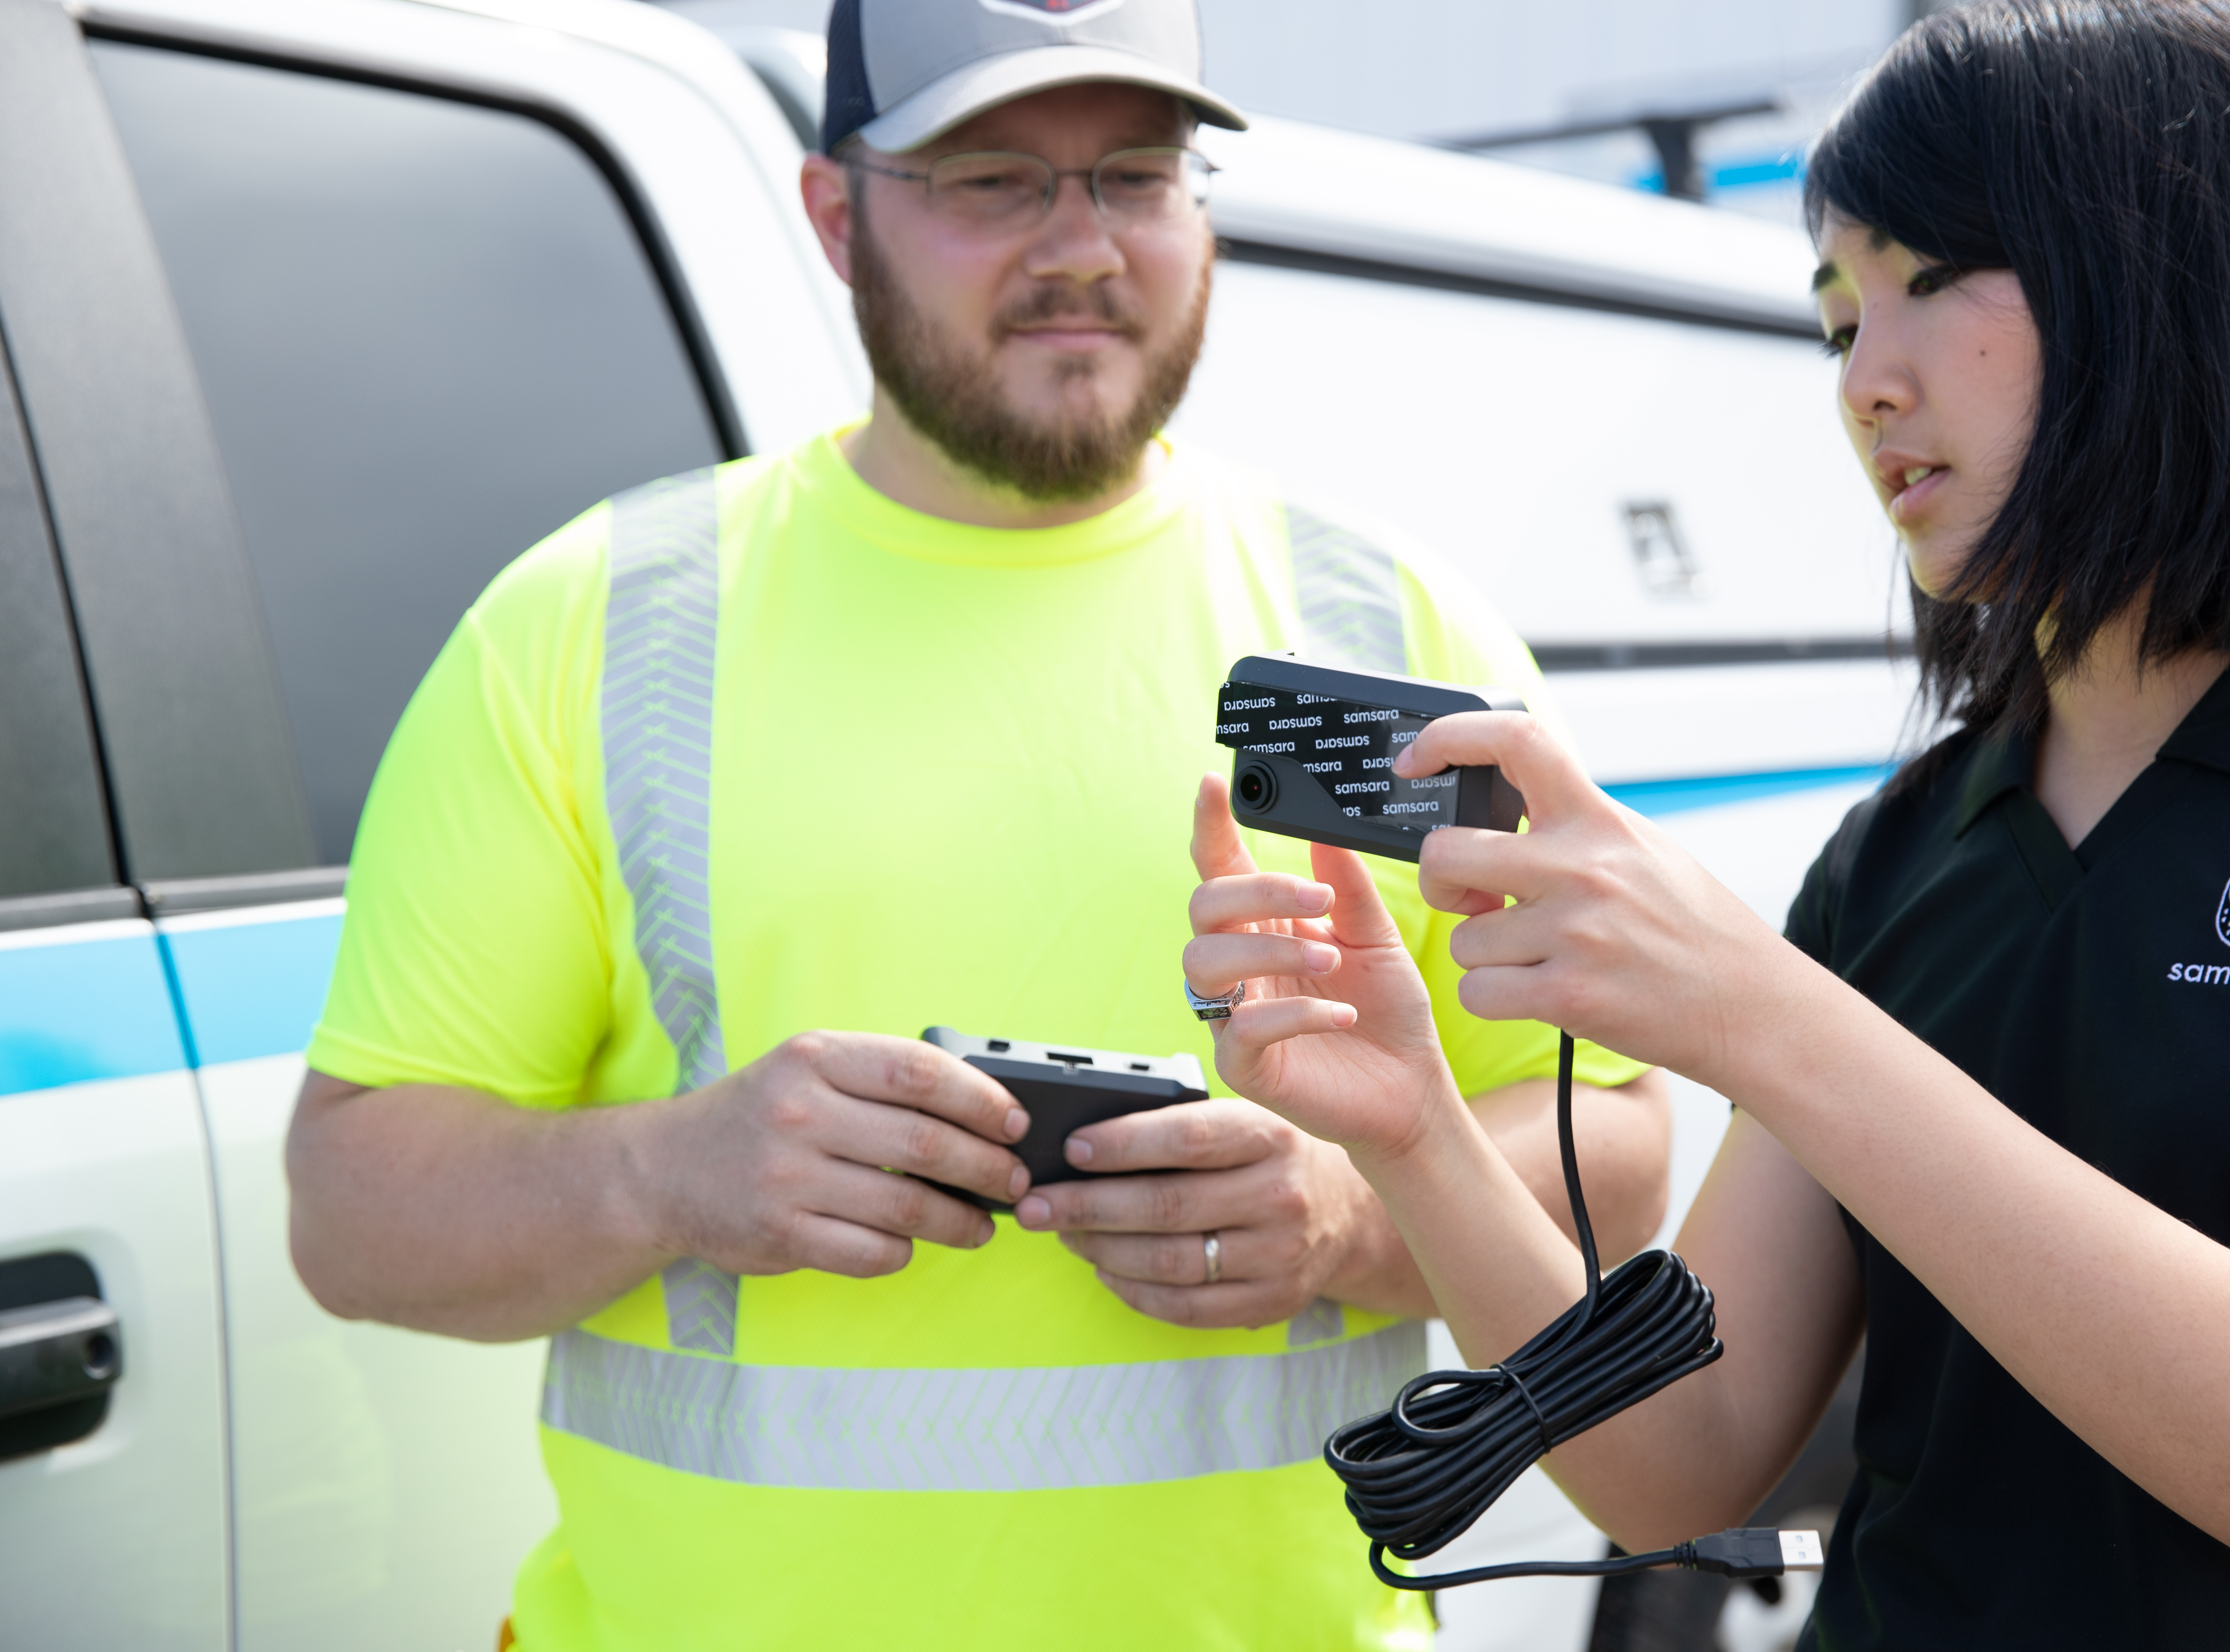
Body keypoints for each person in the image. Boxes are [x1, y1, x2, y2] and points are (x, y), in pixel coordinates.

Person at [282, 0, 1666, 1647]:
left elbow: (1617, 1164)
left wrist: (1347, 1211)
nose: (1080, 247)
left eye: (1136, 176)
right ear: (832, 213)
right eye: (994, 178)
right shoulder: (596, 627)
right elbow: (353, 1217)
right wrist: (674, 1170)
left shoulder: (1381, 628)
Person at [1182, 2, 2230, 1644]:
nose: (1870, 380)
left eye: (1933, 281)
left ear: (2192, 273)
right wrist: (1417, 1132)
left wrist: (1774, 1021)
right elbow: (1686, 1463)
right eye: (1836, 320)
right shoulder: (1911, 843)